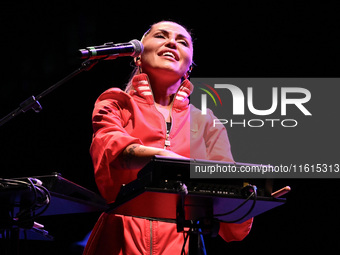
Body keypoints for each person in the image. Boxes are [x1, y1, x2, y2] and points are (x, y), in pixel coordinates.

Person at [83, 21, 252, 255]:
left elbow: (228, 197)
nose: (172, 42)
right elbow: (112, 148)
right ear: (137, 57)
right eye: (161, 36)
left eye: (182, 42)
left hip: (184, 241)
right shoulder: (116, 102)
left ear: (189, 67)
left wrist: (249, 196)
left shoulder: (206, 121)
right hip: (119, 238)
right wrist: (170, 159)